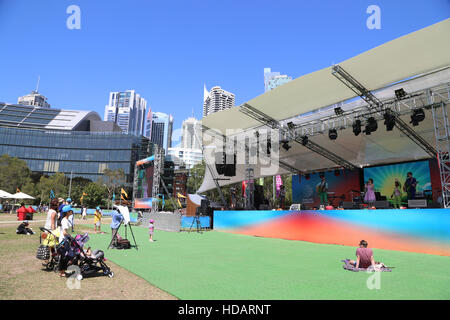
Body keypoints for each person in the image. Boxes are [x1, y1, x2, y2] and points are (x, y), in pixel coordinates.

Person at [58, 205, 73, 277]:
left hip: (66, 240)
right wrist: (71, 237)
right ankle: (61, 272)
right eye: (70, 211)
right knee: (64, 256)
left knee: (65, 256)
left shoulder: (66, 220)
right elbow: (64, 232)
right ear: (67, 212)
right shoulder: (64, 221)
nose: (72, 212)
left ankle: (63, 271)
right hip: (64, 241)